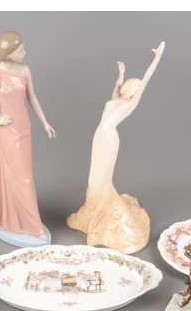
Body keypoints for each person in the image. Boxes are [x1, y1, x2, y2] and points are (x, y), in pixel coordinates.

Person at [67, 42, 165, 254]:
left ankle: (106, 220)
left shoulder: (129, 104)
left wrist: (156, 58)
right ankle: (90, 215)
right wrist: (121, 73)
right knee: (93, 178)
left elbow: (146, 80)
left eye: (131, 84)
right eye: (127, 83)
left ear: (134, 91)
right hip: (99, 136)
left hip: (110, 138)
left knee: (102, 179)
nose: (127, 85)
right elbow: (115, 89)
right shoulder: (117, 99)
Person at [0, 31, 55, 244]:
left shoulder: (25, 70)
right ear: (9, 54)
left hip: (24, 127)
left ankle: (14, 219)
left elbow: (32, 98)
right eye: (20, 50)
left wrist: (45, 123)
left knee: (24, 174)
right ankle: (33, 227)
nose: (24, 53)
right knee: (20, 177)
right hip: (7, 131)